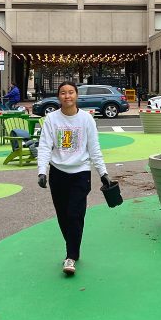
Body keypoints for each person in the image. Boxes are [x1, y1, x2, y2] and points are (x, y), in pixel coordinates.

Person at [36, 81, 110, 277]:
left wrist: (103, 173)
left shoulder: (86, 120)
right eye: (63, 93)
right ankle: (72, 248)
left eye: (70, 92)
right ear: (58, 96)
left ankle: (71, 256)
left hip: (80, 173)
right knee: (62, 216)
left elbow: (94, 149)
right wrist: (41, 171)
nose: (67, 96)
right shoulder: (51, 119)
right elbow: (44, 146)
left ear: (76, 95)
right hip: (58, 173)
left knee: (75, 214)